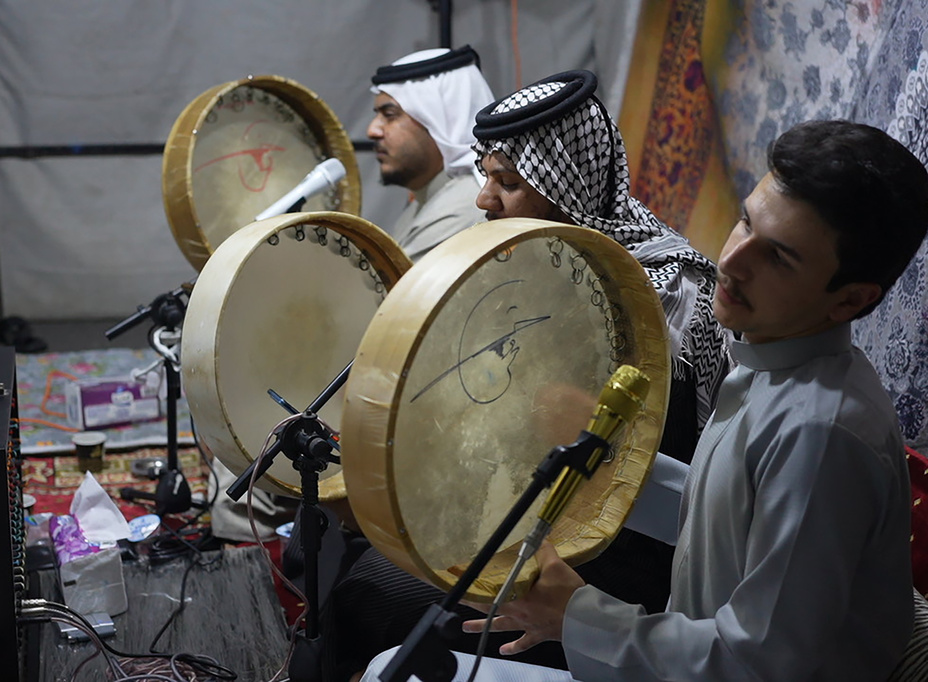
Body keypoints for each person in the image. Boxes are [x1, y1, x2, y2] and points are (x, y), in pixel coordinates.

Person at [361, 118, 924, 681]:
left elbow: (760, 664)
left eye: (777, 258)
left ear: (850, 300)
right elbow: (725, 520)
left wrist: (577, 616)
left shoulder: (820, 434)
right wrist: (604, 459)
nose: (732, 261)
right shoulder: (773, 364)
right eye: (744, 223)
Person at [325, 71, 734, 681]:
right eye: (485, 176)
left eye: (507, 182)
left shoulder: (665, 291)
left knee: (369, 594)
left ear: (569, 189)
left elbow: (650, 484)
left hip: (609, 570)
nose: (484, 199)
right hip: (531, 521)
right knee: (349, 551)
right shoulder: (535, 267)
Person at [367, 44, 495, 261]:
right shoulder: (424, 203)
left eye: (389, 115)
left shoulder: (468, 206)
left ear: (441, 120)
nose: (372, 131)